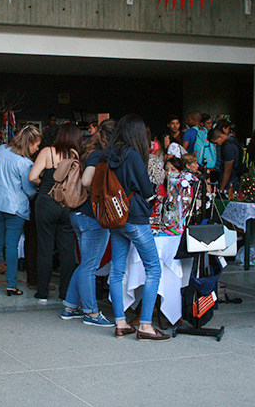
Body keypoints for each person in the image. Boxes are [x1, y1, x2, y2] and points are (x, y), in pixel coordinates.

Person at [104, 114, 169, 341]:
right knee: (154, 269)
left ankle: (120, 322)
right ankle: (145, 325)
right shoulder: (132, 155)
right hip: (134, 216)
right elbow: (145, 186)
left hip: (115, 216)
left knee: (117, 270)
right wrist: (151, 199)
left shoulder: (108, 153)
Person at [61, 119, 116, 327]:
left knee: (85, 263)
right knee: (90, 266)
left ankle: (70, 306)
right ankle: (91, 313)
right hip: (92, 215)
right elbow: (86, 180)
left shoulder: (88, 151)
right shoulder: (100, 155)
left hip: (78, 213)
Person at [0, 125, 41, 295]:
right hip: (15, 206)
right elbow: (29, 190)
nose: (37, 149)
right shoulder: (26, 163)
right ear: (29, 143)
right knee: (11, 246)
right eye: (36, 145)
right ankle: (11, 285)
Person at [29, 123, 81, 303]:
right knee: (67, 249)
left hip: (46, 202)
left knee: (45, 248)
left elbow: (32, 177)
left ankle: (42, 292)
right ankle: (65, 293)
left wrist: (45, 182)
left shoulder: (48, 152)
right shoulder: (75, 154)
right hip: (67, 204)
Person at [208, 127, 244, 196]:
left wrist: (221, 189)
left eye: (215, 142)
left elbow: (228, 169)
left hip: (231, 181)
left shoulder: (227, 147)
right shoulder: (233, 140)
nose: (216, 145)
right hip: (236, 177)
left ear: (220, 137)